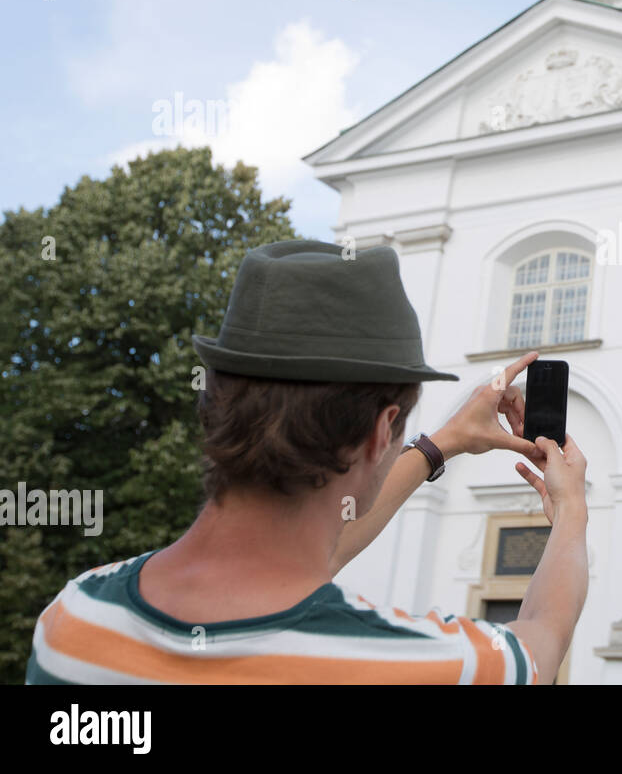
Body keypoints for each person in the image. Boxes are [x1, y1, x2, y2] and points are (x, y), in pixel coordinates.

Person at [26, 240, 589, 685]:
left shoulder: (72, 619)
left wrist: (439, 443)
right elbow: (543, 636)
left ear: (213, 403)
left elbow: (306, 556)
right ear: (377, 435)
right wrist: (571, 512)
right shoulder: (421, 665)